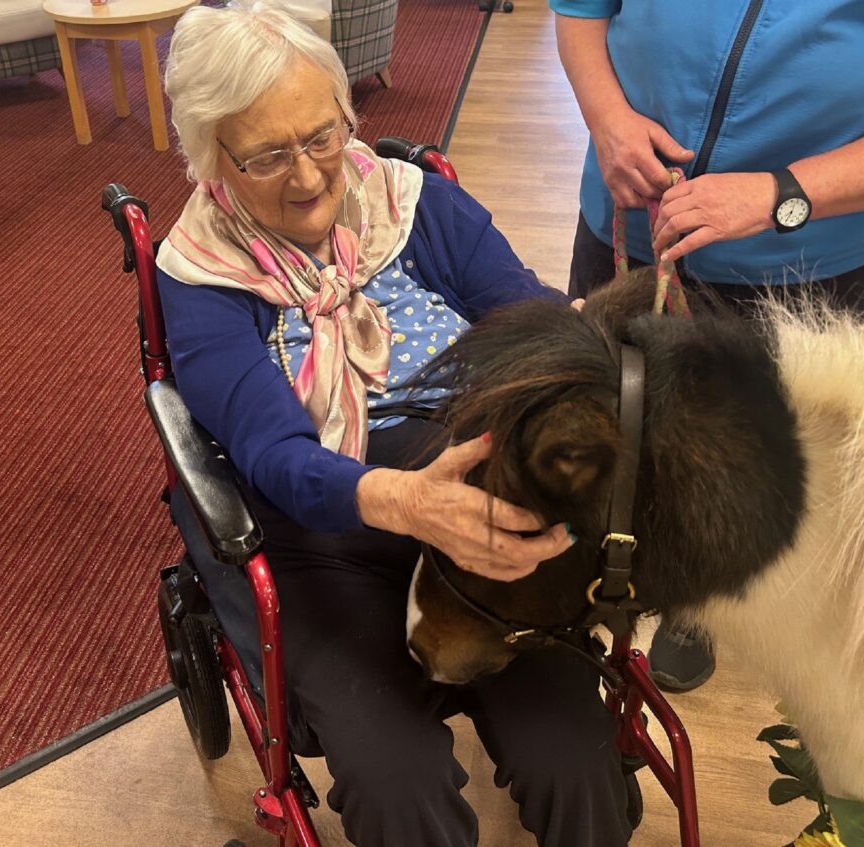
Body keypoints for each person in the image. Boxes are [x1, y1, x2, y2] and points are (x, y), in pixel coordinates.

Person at [155, 3, 634, 846]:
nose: (307, 177)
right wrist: (407, 502)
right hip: (321, 540)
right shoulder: (202, 277)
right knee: (394, 782)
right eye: (267, 156)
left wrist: (583, 343)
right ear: (212, 162)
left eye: (321, 136)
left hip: (485, 510)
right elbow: (273, 452)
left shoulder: (414, 208)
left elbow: (528, 317)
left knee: (578, 756)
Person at [550, 0, 864, 691]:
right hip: (633, 217)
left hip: (810, 261)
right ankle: (566, 581)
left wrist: (781, 195)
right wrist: (607, 120)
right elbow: (581, 8)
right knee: (599, 428)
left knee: (737, 461)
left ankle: (696, 603)